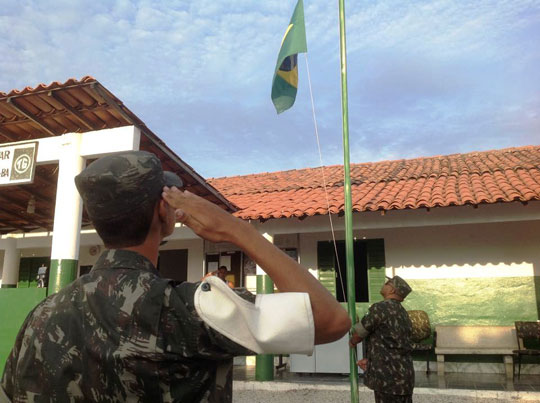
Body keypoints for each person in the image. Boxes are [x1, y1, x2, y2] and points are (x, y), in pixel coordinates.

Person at [1, 150, 350, 402]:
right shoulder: (190, 309)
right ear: (161, 211)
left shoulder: (40, 318)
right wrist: (237, 230)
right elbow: (332, 320)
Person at [350, 276, 414, 403]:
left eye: (387, 283)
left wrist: (352, 342)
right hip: (404, 376)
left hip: (387, 378)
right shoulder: (403, 313)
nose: (384, 284)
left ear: (392, 290)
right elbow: (392, 343)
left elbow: (359, 333)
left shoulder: (380, 308)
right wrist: (371, 360)